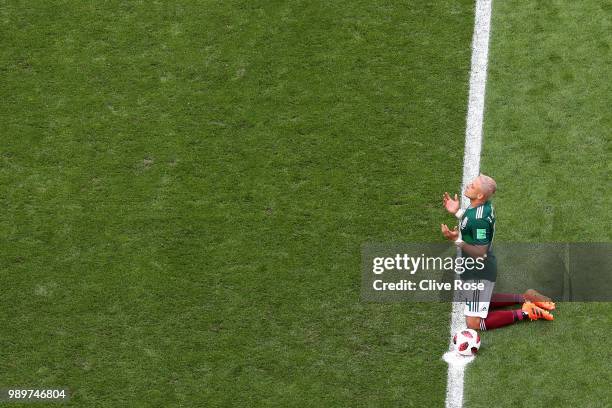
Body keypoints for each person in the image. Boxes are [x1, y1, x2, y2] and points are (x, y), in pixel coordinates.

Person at [440, 174, 555, 331]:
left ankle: (525, 312)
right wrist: (458, 212)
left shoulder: (478, 219)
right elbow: (471, 222)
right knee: (480, 298)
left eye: (473, 186)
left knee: (473, 323)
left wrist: (457, 241)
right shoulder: (481, 206)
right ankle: (525, 298)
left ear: (480, 195)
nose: (468, 185)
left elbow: (480, 252)